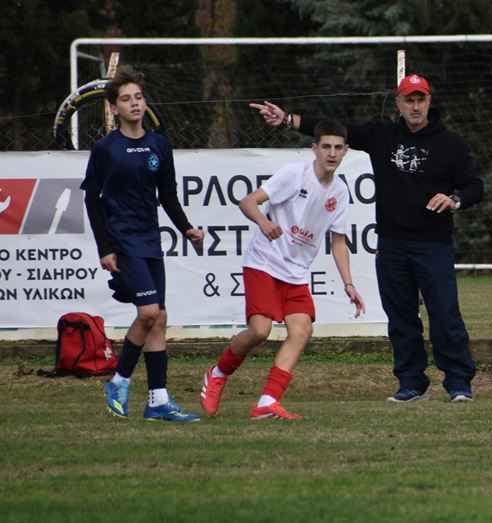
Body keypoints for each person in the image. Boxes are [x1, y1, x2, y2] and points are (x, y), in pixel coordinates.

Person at [249, 74, 484, 404]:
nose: (415, 106)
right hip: (392, 244)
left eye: (420, 99)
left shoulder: (451, 145)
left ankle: (458, 382)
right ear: (399, 103)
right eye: (409, 100)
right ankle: (411, 383)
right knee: (401, 317)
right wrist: (288, 119)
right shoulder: (382, 135)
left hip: (433, 245)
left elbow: (475, 186)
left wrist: (455, 199)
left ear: (429, 101)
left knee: (445, 315)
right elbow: (335, 129)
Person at [199, 119, 365, 420]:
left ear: (345, 151)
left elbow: (339, 242)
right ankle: (217, 374)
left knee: (301, 330)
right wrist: (264, 222)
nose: (331, 153)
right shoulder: (294, 174)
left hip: (296, 272)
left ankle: (267, 401)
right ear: (314, 148)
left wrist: (349, 284)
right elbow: (248, 201)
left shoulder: (340, 191)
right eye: (326, 146)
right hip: (264, 262)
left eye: (338, 148)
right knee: (259, 331)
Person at [80, 65, 205, 422]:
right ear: (114, 108)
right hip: (123, 240)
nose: (134, 103)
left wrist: (187, 228)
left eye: (138, 97)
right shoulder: (106, 148)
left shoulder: (159, 145)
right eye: (125, 99)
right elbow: (92, 199)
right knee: (148, 312)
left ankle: (158, 401)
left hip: (150, 239)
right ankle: (118, 381)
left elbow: (168, 195)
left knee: (159, 317)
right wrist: (105, 248)